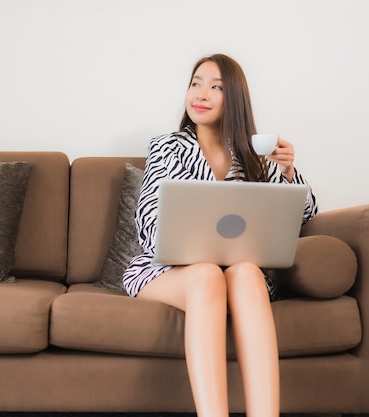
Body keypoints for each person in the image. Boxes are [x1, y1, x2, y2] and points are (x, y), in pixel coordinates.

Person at [122, 54, 318, 417]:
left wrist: (289, 173)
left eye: (215, 87)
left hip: (237, 273)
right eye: (196, 83)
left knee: (246, 271)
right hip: (165, 271)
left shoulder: (253, 156)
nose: (201, 93)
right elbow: (148, 222)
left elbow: (302, 216)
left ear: (235, 99)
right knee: (208, 273)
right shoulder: (166, 147)